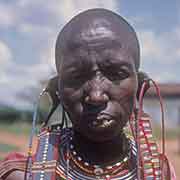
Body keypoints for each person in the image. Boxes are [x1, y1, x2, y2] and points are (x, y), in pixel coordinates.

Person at [0, 8, 176, 180]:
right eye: (77, 76)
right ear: (57, 91)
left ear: (139, 87)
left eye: (116, 74)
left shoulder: (160, 173)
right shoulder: (22, 175)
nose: (96, 96)